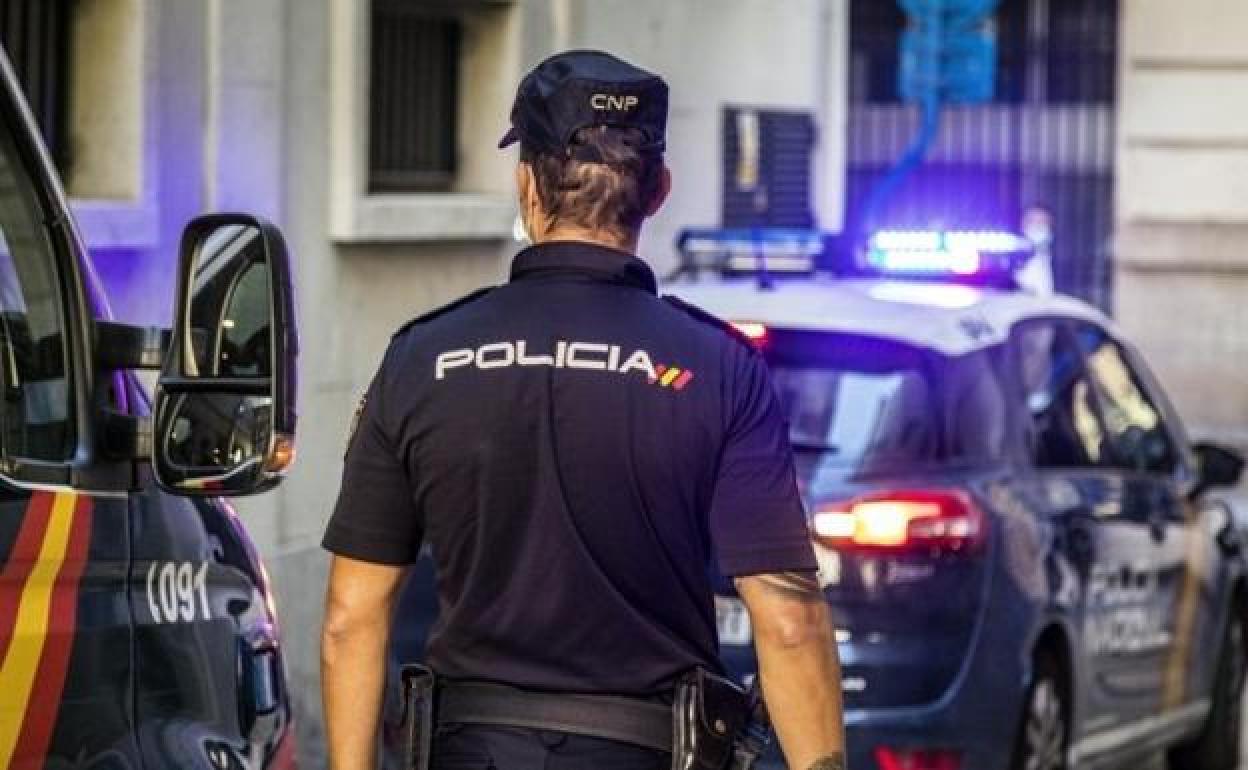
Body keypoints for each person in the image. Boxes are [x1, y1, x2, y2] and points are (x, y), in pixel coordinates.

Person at [321, 50, 847, 770]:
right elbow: (788, 621)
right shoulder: (721, 368)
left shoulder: (422, 356)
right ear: (658, 191)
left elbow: (351, 618)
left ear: (526, 184)